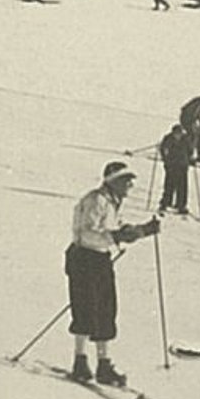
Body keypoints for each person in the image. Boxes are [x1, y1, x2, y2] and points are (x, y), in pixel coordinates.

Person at [65, 161, 160, 385]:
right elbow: (86, 233)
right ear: (113, 181)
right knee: (85, 308)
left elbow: (115, 228)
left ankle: (103, 365)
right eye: (126, 180)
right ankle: (80, 362)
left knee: (105, 310)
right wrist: (116, 237)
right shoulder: (96, 200)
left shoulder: (111, 201)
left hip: (99, 259)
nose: (130, 184)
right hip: (84, 258)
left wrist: (143, 230)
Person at [157, 123, 192, 214]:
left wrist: (190, 159)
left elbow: (190, 150)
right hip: (171, 165)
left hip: (182, 166)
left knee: (182, 186)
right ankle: (165, 203)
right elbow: (162, 149)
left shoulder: (186, 140)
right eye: (176, 133)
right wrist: (165, 160)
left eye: (179, 133)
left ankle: (181, 205)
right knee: (169, 185)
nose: (178, 135)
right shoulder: (168, 139)